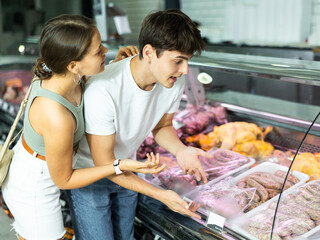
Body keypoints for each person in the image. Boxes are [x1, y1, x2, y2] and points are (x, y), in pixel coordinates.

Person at [1, 14, 167, 240]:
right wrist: (119, 165)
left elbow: (88, 79)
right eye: (98, 51)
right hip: (35, 184)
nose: (105, 51)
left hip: (45, 165)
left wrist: (114, 65)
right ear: (73, 65)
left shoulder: (67, 77)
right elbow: (64, 179)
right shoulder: (56, 114)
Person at [66, 9, 212, 240]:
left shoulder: (174, 82)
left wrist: (181, 150)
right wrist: (161, 195)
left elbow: (162, 127)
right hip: (91, 176)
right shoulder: (103, 89)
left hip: (128, 172)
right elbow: (105, 163)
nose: (184, 70)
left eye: (187, 61)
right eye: (178, 61)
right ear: (149, 52)